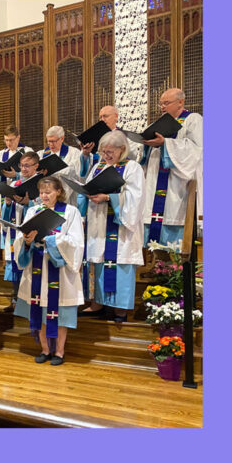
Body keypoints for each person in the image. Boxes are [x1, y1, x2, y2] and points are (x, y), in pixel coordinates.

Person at [13, 177, 84, 366]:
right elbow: (20, 237)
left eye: (48, 192)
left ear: (59, 192)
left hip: (59, 270)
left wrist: (49, 239)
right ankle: (45, 350)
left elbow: (76, 242)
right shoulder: (33, 211)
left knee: (60, 314)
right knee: (40, 311)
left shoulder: (70, 212)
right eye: (41, 192)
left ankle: (59, 351)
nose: (44, 196)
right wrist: (26, 241)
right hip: (37, 268)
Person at [77, 130, 144, 322]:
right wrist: (85, 194)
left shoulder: (132, 168)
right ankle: (97, 303)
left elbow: (135, 197)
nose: (105, 156)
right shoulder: (98, 167)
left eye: (110, 152)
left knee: (119, 264)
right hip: (98, 224)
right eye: (103, 152)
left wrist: (108, 197)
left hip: (120, 228)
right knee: (98, 262)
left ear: (122, 149)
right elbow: (87, 188)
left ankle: (120, 310)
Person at [140, 88, 203, 244]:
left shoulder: (193, 120)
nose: (162, 107)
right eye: (160, 103)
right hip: (154, 183)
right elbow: (143, 157)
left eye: (166, 103)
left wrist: (166, 144)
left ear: (180, 102)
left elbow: (197, 150)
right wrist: (145, 144)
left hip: (178, 186)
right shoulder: (157, 125)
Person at [1, 151, 41, 312]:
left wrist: (28, 203)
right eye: (21, 165)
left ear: (36, 166)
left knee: (30, 266)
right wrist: (7, 203)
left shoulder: (41, 185)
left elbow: (43, 207)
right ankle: (16, 299)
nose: (23, 169)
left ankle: (32, 301)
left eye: (27, 166)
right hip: (15, 230)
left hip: (33, 233)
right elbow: (5, 216)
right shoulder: (14, 184)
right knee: (14, 264)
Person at [80, 106, 143, 177]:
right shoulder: (95, 138)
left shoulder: (126, 137)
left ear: (116, 117)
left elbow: (135, 156)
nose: (102, 120)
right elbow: (92, 165)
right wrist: (86, 154)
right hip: (100, 175)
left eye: (105, 116)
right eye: (100, 117)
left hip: (121, 174)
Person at [37, 125, 82, 204]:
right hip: (46, 197)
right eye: (48, 141)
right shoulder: (40, 154)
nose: (51, 144)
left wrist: (57, 171)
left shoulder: (74, 153)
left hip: (68, 196)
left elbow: (79, 174)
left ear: (62, 138)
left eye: (53, 141)